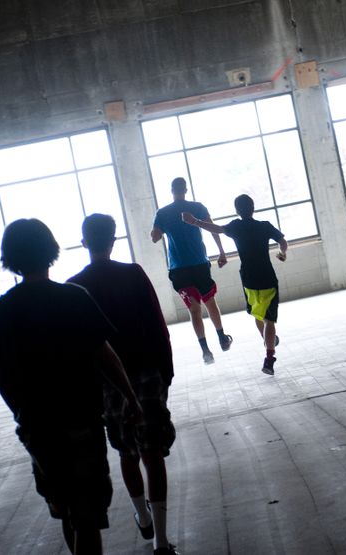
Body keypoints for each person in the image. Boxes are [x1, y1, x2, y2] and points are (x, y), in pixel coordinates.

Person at [0, 219, 141, 555]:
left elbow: (2, 379)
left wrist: (22, 415)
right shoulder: (73, 297)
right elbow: (105, 356)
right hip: (82, 419)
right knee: (89, 515)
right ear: (51, 252)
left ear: (10, 258)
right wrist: (130, 397)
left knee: (67, 508)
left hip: (38, 428)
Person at [68, 214, 179, 555]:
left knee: (126, 453)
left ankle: (142, 515)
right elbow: (158, 324)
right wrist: (166, 372)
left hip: (107, 385)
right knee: (153, 453)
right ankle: (161, 539)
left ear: (84, 242)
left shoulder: (74, 286)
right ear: (113, 240)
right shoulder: (133, 274)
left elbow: (78, 347)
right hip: (146, 374)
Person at [182, 194, 287, 375]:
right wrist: (282, 253)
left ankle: (267, 340)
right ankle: (269, 358)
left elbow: (216, 228)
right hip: (268, 277)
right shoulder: (264, 226)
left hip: (249, 279)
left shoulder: (236, 227)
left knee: (257, 314)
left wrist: (195, 222)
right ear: (253, 207)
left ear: (237, 211)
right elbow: (282, 241)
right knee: (270, 319)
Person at [151, 177, 232, 365]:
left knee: (194, 309)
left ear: (171, 190)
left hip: (179, 269)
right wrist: (221, 252)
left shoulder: (162, 213)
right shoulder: (198, 207)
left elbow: (155, 238)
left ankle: (205, 351)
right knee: (210, 301)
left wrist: (156, 231)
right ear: (185, 190)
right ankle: (221, 337)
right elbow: (213, 229)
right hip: (199, 264)